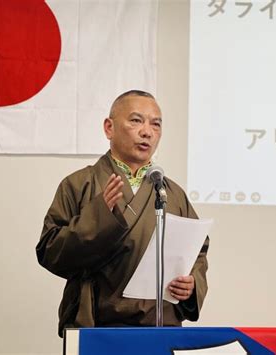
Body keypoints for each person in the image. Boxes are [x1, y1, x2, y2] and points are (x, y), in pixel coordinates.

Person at [36, 90, 209, 337]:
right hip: (96, 324)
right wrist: (98, 216)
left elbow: (197, 252)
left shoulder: (172, 193)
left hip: (160, 325)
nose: (147, 132)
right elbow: (49, 252)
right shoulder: (79, 184)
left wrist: (191, 285)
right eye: (136, 121)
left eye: (155, 124)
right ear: (109, 128)